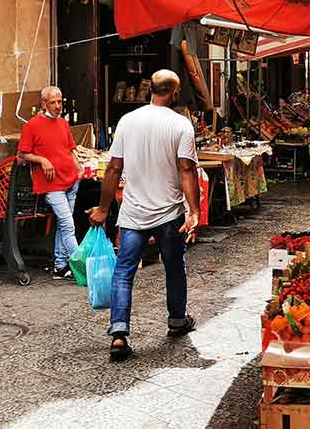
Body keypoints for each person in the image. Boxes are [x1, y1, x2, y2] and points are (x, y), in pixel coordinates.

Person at [89, 70, 200, 362]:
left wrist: (102, 208)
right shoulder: (181, 125)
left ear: (150, 89)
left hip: (134, 211)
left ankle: (118, 333)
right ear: (174, 93)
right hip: (169, 212)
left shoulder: (127, 121)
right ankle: (177, 320)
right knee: (174, 267)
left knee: (124, 270)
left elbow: (113, 169)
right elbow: (187, 170)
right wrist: (195, 211)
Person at [18, 86, 82, 279]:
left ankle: (60, 266)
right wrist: (42, 160)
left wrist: (78, 168)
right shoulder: (32, 125)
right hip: (52, 186)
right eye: (53, 102)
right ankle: (84, 266)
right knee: (68, 224)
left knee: (64, 225)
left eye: (60, 102)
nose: (57, 106)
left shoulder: (63, 123)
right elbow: (21, 155)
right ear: (43, 104)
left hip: (71, 181)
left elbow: (70, 149)